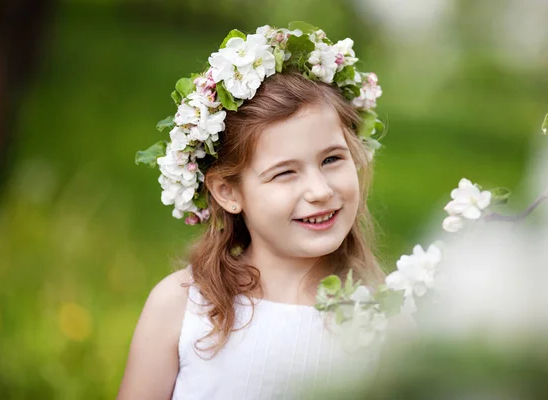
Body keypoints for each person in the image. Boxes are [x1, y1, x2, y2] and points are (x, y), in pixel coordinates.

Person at [118, 23, 387, 400]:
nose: (320, 191)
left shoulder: (383, 320)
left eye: (331, 159)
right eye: (285, 173)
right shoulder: (183, 307)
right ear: (228, 191)